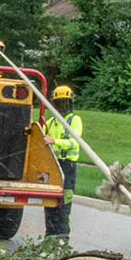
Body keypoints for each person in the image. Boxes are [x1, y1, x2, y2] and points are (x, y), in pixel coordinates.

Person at [43, 83, 84, 238]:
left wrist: (55, 141)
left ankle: (62, 237)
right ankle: (50, 236)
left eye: (65, 103)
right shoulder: (52, 121)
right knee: (50, 202)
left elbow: (75, 142)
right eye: (59, 104)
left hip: (67, 167)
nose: (62, 107)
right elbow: (42, 135)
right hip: (53, 166)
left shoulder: (74, 120)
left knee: (64, 203)